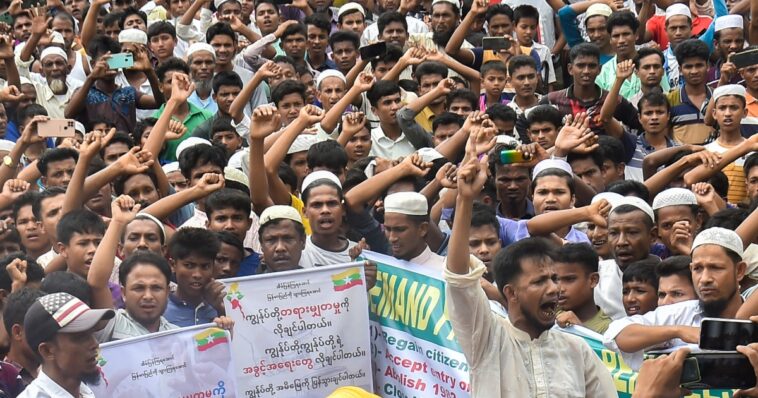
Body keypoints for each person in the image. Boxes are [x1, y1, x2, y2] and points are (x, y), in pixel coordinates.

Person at [445, 152, 616, 396]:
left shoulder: (577, 350)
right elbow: (458, 279)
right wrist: (464, 199)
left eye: (554, 278)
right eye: (539, 281)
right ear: (511, 293)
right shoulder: (488, 340)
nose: (554, 289)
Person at [604, 227, 747, 370]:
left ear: (739, 271)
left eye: (715, 268)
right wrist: (679, 331)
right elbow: (617, 334)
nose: (704, 279)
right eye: (697, 269)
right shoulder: (678, 314)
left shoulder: (753, 316)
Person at [19, 292, 115, 397]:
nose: (94, 344)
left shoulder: (84, 391)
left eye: (92, 333)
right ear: (47, 350)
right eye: (80, 337)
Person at [596, 197, 657, 320]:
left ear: (653, 235)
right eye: (614, 233)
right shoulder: (596, 275)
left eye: (632, 232)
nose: (621, 242)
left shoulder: (668, 277)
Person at [555, 243, 613, 334]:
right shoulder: (548, 317)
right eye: (556, 280)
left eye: (569, 279)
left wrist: (580, 330)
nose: (560, 288)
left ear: (593, 280)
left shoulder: (608, 330)